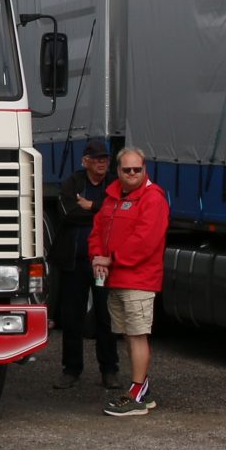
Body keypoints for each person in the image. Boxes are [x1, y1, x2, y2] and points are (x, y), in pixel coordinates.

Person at [89, 148, 169, 416]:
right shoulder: (112, 196)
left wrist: (111, 259)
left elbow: (145, 241)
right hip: (117, 279)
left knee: (137, 334)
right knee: (128, 334)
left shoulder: (153, 198)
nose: (132, 173)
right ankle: (140, 388)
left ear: (144, 169)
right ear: (119, 171)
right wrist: (97, 257)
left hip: (139, 280)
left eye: (137, 169)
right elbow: (97, 230)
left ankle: (138, 393)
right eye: (127, 169)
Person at [48, 139, 119, 389]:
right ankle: (71, 369)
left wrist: (92, 206)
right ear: (85, 161)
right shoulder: (73, 182)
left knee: (105, 317)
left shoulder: (114, 184)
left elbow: (118, 214)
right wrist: (102, 212)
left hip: (103, 264)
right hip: (74, 262)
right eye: (97, 158)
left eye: (105, 158)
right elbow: (67, 213)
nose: (102, 163)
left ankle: (109, 370)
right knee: (72, 318)